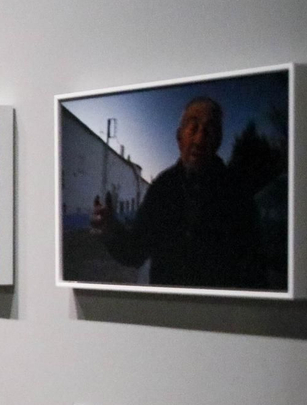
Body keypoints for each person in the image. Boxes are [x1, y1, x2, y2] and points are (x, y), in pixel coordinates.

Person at [94, 96, 263, 288]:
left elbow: (254, 268)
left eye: (209, 130)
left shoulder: (236, 192)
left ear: (218, 140)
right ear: (179, 137)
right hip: (168, 305)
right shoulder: (162, 188)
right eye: (193, 127)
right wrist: (111, 229)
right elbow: (134, 253)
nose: (200, 139)